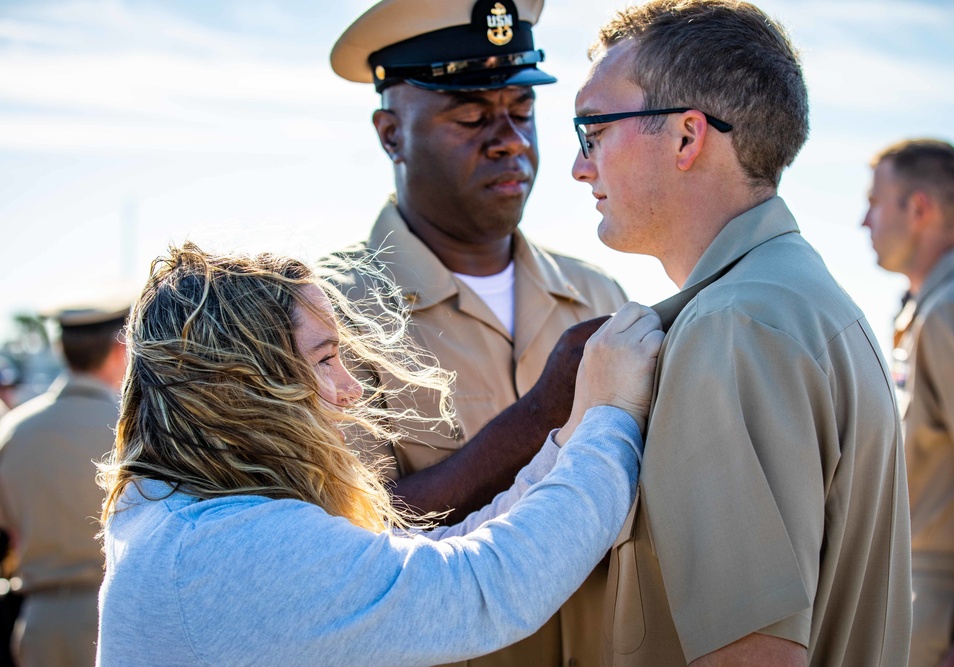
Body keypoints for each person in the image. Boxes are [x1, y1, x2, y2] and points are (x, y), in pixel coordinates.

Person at [95, 243, 663, 666]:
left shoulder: (185, 517)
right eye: (324, 360)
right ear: (245, 387)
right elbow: (486, 586)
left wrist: (566, 443)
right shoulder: (232, 547)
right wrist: (612, 414)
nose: (351, 388)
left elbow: (425, 557)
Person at [570, 1, 912, 664]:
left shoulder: (732, 328)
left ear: (687, 138)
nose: (581, 167)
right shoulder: (793, 299)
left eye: (593, 130)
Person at [326, 2, 627, 664]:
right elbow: (347, 547)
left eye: (522, 111)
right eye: (470, 116)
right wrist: (542, 415)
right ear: (390, 134)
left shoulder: (598, 294)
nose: (510, 140)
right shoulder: (324, 316)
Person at [863, 138, 954, 667]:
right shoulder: (927, 309)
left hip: (947, 608)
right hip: (921, 591)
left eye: (875, 202)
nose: (863, 221)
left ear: (917, 209)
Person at [0, 299, 129, 667]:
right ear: (122, 349)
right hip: (116, 612)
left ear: (61, 349)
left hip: (40, 620)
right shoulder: (134, 428)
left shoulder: (13, 432)